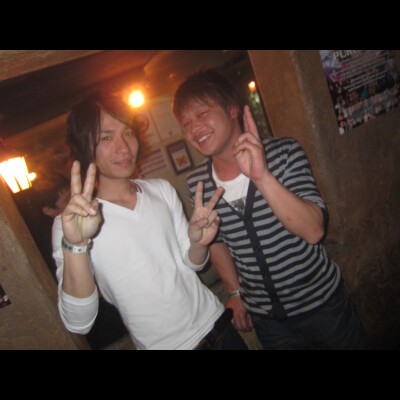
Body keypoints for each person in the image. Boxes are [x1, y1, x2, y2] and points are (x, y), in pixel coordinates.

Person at [172, 68, 371, 350]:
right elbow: (216, 241)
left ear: (232, 109)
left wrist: (262, 176)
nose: (194, 129)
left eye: (202, 114)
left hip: (322, 307)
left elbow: (314, 231)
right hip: (267, 321)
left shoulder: (284, 152)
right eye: (186, 123)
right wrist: (235, 291)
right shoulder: (198, 183)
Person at [51, 91, 248, 350]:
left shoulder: (161, 189)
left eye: (128, 132)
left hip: (219, 327)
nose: (124, 147)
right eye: (106, 137)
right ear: (85, 147)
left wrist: (198, 243)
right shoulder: (70, 225)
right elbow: (79, 324)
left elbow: (193, 263)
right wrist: (76, 245)